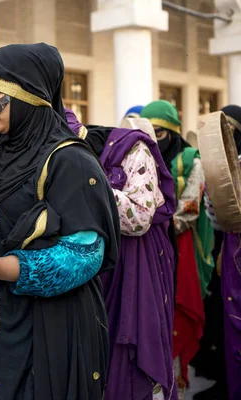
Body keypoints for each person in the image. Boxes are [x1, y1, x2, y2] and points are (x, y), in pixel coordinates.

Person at [0, 43, 120, 400]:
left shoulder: (69, 162)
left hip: (45, 330)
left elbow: (85, 256)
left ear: (30, 95)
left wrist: (2, 267)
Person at [66, 110, 177, 400]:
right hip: (90, 267)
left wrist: (90, 181)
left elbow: (140, 218)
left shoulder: (132, 149)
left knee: (128, 357)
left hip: (136, 264)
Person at [141, 100, 214, 398]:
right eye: (148, 132)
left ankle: (177, 380)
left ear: (171, 132)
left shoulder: (192, 161)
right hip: (148, 250)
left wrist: (148, 218)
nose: (153, 139)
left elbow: (189, 210)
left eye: (158, 132)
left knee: (177, 314)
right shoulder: (139, 159)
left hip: (180, 251)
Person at [200, 104, 241, 400]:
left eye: (232, 132)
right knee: (231, 319)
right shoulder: (224, 165)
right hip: (231, 251)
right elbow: (216, 218)